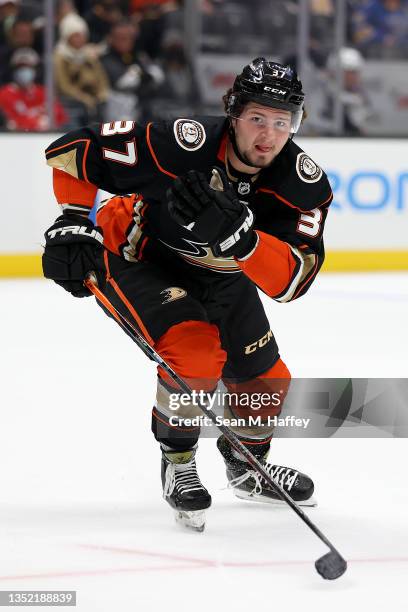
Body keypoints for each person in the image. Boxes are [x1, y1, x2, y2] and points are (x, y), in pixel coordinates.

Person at [41, 58, 333, 532]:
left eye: (284, 122)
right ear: (232, 112)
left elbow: (293, 282)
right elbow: (73, 149)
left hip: (220, 273)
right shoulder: (182, 143)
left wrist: (244, 241)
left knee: (268, 382)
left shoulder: (301, 184)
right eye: (257, 118)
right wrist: (73, 217)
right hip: (139, 258)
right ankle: (178, 459)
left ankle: (247, 468)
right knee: (196, 356)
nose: (269, 135)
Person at [0, 47, 67, 130]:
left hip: (44, 138)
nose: (24, 70)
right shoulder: (3, 94)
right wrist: (36, 121)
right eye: (20, 67)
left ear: (35, 70)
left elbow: (59, 117)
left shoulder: (44, 93)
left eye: (29, 67)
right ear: (14, 69)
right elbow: (8, 123)